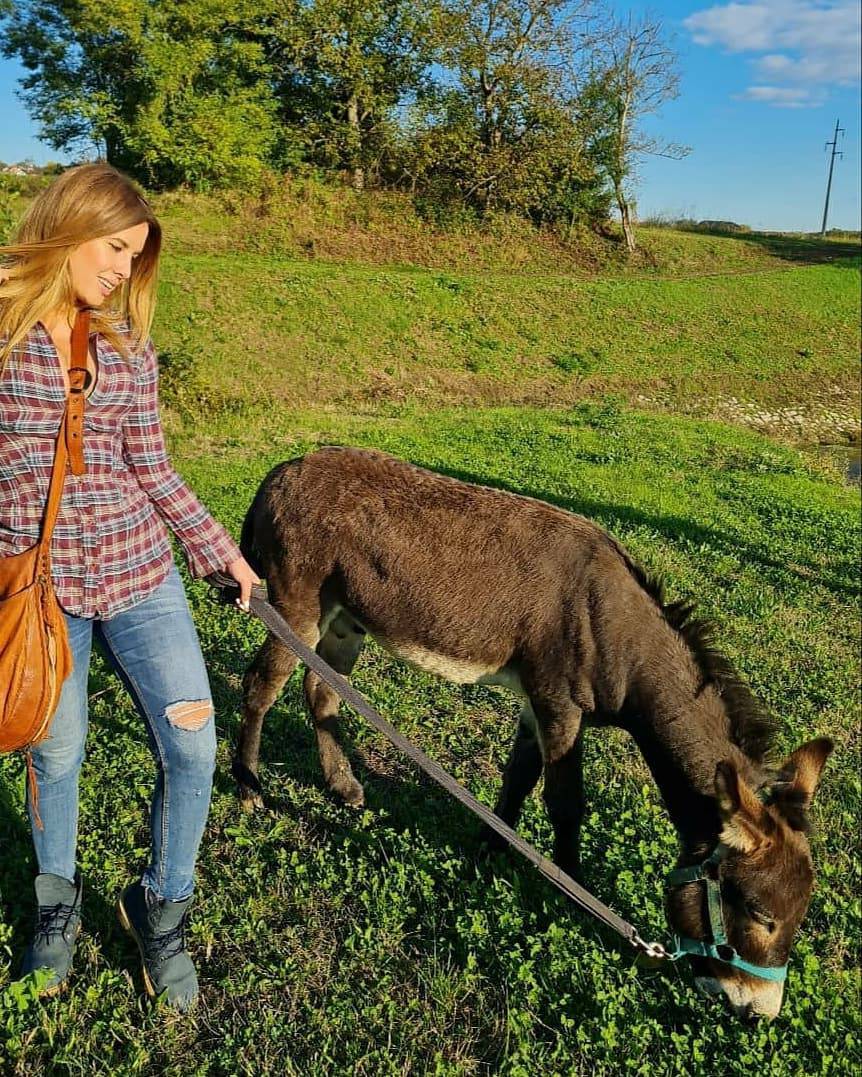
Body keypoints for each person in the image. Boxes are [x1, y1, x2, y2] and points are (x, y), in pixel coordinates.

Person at [0, 162, 260, 1011]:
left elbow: (151, 464)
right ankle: (54, 909)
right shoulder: (3, 331)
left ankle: (161, 906)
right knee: (58, 752)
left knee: (192, 742)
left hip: (139, 572)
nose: (120, 269)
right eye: (113, 247)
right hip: (40, 592)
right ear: (69, 224)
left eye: (133, 256)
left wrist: (218, 550)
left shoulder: (126, 345)